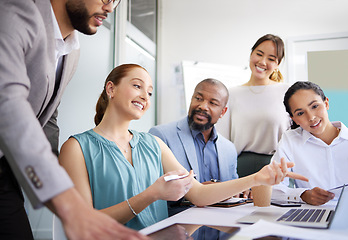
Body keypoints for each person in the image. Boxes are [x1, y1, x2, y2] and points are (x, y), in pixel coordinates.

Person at [58, 63, 308, 231]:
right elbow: (83, 226)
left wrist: (257, 178)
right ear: (111, 88)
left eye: (150, 92)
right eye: (137, 86)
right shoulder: (76, 148)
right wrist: (152, 194)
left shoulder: (151, 143)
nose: (145, 96)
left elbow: (198, 194)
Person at [0, 0, 146, 239]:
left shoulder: (72, 51)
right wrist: (67, 203)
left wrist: (57, 180)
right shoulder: (14, 11)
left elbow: (47, 118)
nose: (110, 8)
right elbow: (7, 104)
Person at [149, 79, 238, 215]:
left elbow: (232, 191)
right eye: (198, 98)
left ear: (223, 112)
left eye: (212, 103)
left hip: (219, 230)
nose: (203, 106)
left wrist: (240, 192)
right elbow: (150, 192)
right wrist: (192, 193)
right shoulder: (160, 136)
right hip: (179, 228)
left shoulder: (229, 149)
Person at [216, 34, 291, 178]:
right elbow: (222, 141)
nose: (263, 62)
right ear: (251, 54)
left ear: (277, 65)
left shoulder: (287, 92)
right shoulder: (231, 94)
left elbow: (297, 136)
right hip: (239, 170)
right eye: (259, 54)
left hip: (276, 168)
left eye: (271, 59)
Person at [271, 81, 348, 206]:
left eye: (314, 106)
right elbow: (272, 188)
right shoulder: (290, 140)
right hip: (314, 212)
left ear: (326, 103)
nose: (311, 117)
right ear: (294, 119)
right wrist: (303, 195)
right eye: (300, 113)